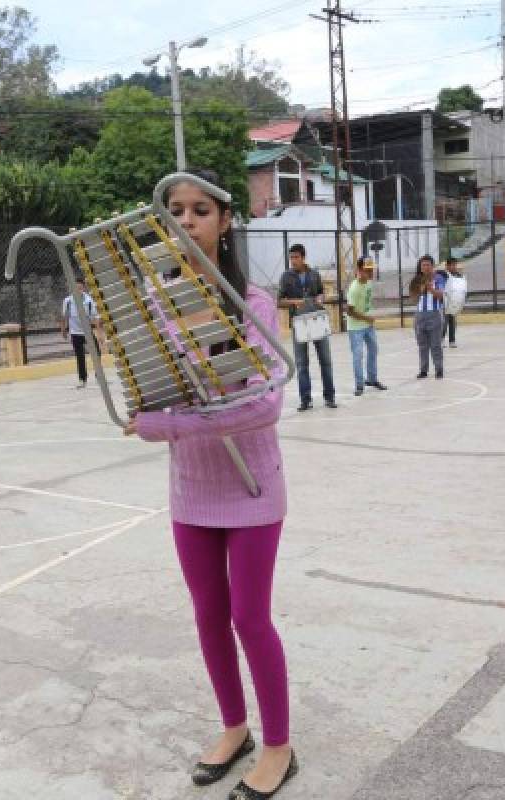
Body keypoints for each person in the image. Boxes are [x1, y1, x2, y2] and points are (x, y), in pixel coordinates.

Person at [126, 169, 298, 799]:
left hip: (253, 490)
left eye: (201, 209)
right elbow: (144, 413)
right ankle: (235, 728)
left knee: (251, 619)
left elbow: (264, 407)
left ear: (225, 221)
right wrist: (162, 422)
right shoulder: (155, 309)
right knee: (208, 617)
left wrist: (173, 421)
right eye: (176, 209)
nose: (187, 219)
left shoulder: (250, 304)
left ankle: (279, 747)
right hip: (190, 493)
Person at [277, 243, 336, 410]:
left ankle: (330, 397)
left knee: (325, 360)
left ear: (303, 257)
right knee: (302, 363)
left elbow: (320, 292)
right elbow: (279, 300)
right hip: (299, 323)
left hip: (317, 320)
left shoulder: (314, 275)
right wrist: (294, 301)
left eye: (296, 257)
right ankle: (305, 399)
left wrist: (320, 298)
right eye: (291, 257)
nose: (293, 260)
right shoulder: (285, 277)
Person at [345, 257, 387, 396]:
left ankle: (372, 379)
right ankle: (359, 384)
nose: (370, 272)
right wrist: (366, 317)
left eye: (371, 269)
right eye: (367, 270)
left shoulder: (369, 283)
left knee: (373, 350)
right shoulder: (354, 288)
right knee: (358, 355)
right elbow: (349, 311)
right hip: (356, 327)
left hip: (368, 325)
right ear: (359, 270)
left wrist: (369, 316)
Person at [408, 255, 445, 379]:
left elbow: (441, 295)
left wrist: (431, 289)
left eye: (428, 265)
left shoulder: (438, 278)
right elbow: (413, 299)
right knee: (422, 345)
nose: (425, 267)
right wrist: (418, 292)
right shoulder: (417, 280)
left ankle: (439, 369)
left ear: (432, 266)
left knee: (435, 344)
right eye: (423, 265)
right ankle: (423, 370)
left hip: (434, 314)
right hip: (419, 315)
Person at [61, 278, 99, 389]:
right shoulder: (68, 301)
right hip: (75, 333)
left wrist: (99, 332)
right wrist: (63, 331)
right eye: (76, 288)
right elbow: (64, 317)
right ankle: (82, 379)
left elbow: (94, 317)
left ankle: (99, 376)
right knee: (80, 356)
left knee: (97, 354)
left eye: (80, 288)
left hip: (87, 332)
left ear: (83, 288)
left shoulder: (88, 300)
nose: (78, 290)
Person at [438, 256, 467, 348]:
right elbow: (437, 273)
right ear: (447, 266)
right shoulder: (443, 274)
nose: (454, 267)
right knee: (444, 321)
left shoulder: (459, 275)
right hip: (445, 301)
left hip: (454, 301)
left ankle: (452, 340)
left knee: (452, 321)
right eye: (452, 265)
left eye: (455, 265)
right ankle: (441, 340)